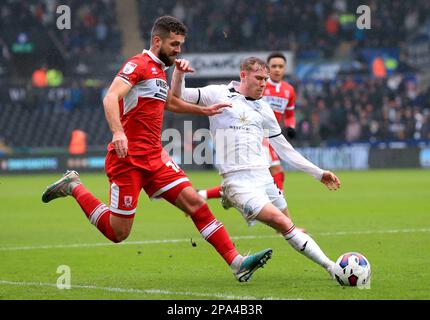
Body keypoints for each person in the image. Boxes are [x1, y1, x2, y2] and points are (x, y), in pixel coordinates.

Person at [41, 16, 272, 283]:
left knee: (195, 203)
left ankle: (237, 263)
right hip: (127, 160)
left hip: (156, 158)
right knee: (119, 233)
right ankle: (74, 186)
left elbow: (169, 104)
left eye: (181, 44)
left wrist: (203, 110)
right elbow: (110, 97)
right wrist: (118, 132)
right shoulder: (137, 65)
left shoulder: (160, 72)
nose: (178, 49)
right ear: (157, 41)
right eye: (174, 44)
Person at [170, 56, 341, 278]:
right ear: (243, 75)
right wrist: (179, 73)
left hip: (265, 178)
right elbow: (179, 95)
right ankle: (332, 268)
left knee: (287, 223)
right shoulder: (218, 93)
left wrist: (319, 174)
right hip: (238, 180)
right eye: (259, 78)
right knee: (281, 223)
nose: (263, 83)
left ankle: (229, 199)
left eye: (266, 79)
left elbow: (285, 149)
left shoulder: (264, 109)